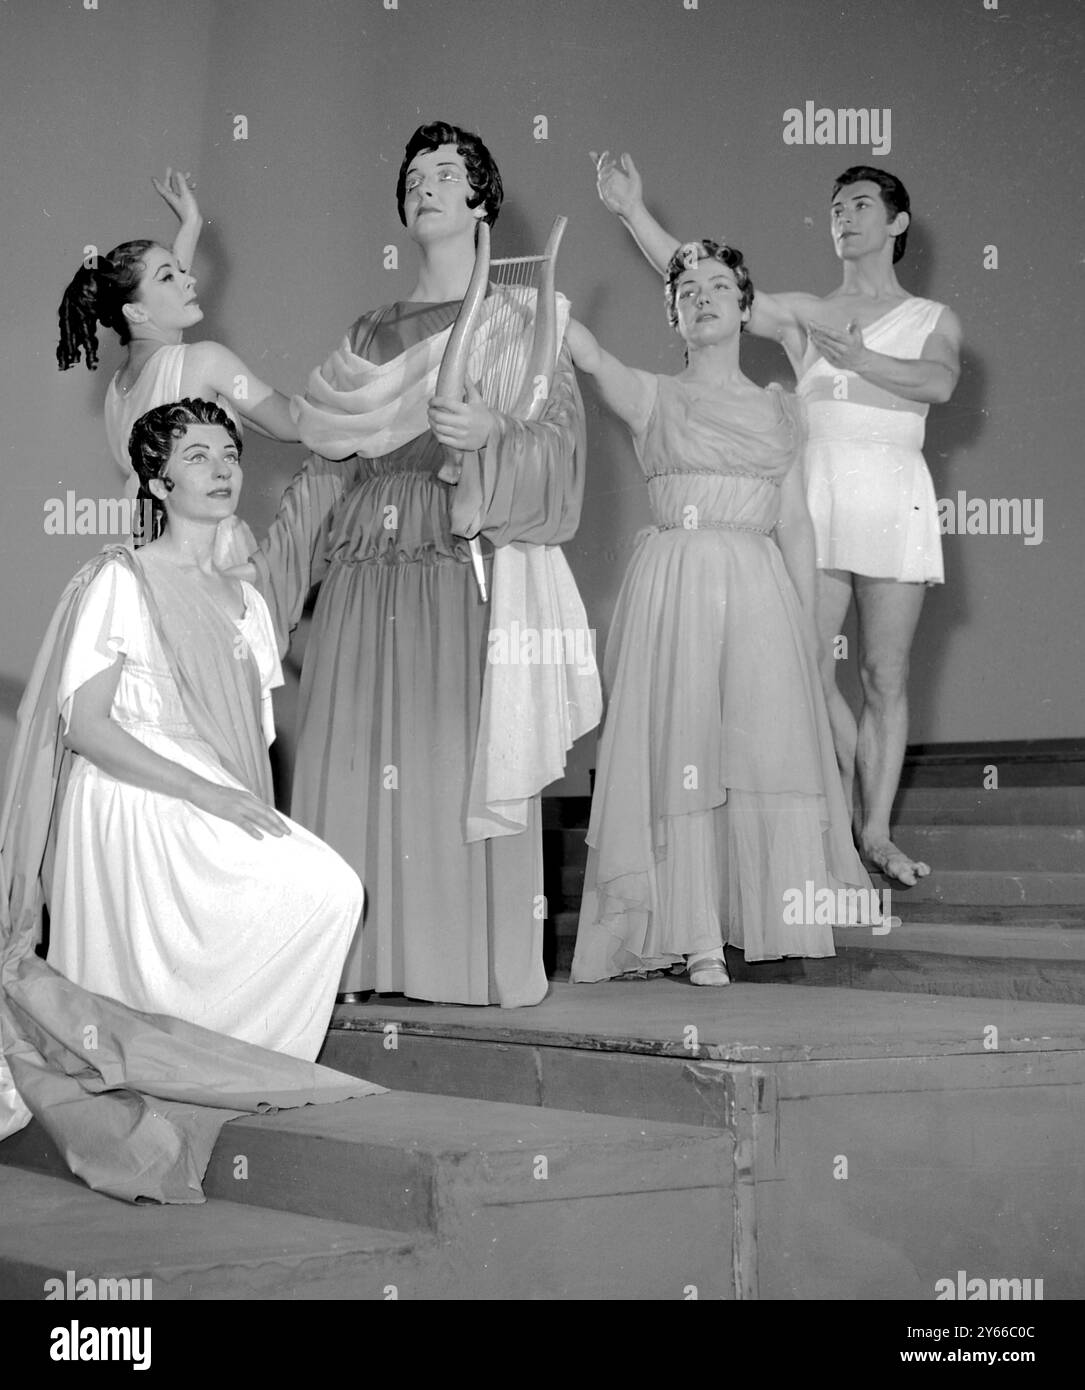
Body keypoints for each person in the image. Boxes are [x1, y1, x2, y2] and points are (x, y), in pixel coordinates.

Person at [249, 122, 599, 1007]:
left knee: (449, 757)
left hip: (460, 562)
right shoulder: (369, 331)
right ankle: (357, 963)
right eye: (413, 175)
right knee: (362, 755)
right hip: (368, 567)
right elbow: (324, 462)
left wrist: (494, 437)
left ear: (482, 200)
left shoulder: (523, 322)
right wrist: (258, 603)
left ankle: (456, 962)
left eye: (446, 172)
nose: (425, 185)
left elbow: (558, 451)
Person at [0, 399, 375, 1202]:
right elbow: (89, 730)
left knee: (330, 890)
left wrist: (226, 797)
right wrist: (205, 794)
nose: (221, 469)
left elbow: (249, 734)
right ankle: (173, 1071)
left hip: (209, 791)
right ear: (157, 480)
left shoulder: (247, 599)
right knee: (323, 890)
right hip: (133, 793)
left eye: (229, 453)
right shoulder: (120, 579)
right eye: (197, 455)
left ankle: (225, 1070)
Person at [592, 153, 962, 886]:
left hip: (893, 496)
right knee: (804, 663)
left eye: (859, 204)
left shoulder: (930, 318)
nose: (844, 217)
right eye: (835, 208)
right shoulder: (804, 312)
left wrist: (859, 359)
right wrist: (633, 212)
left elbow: (939, 381)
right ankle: (848, 823)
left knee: (884, 676)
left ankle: (876, 833)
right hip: (815, 496)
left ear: (896, 222)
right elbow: (706, 280)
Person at [568, 241, 872, 986]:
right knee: (683, 750)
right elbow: (588, 355)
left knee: (756, 752)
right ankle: (694, 934)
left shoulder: (782, 410)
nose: (701, 296)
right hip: (677, 584)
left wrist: (807, 629)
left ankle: (757, 915)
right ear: (672, 314)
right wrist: (546, 312)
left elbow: (796, 523)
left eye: (716, 286)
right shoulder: (651, 395)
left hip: (759, 585)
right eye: (686, 290)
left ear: (744, 305)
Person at [56, 169, 300, 561]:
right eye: (169, 276)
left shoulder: (120, 389)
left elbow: (156, 307)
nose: (190, 282)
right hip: (209, 555)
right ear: (134, 310)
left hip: (150, 556)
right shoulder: (203, 361)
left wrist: (190, 225)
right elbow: (293, 423)